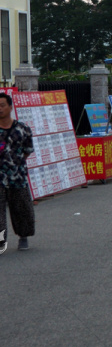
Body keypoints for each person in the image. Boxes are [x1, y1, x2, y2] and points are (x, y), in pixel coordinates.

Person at [0, 92, 34, 252]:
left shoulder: (22, 128)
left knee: (21, 208)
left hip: (17, 176)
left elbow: (28, 150)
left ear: (10, 107)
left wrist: (16, 162)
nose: (0, 109)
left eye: (2, 106)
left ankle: (23, 237)